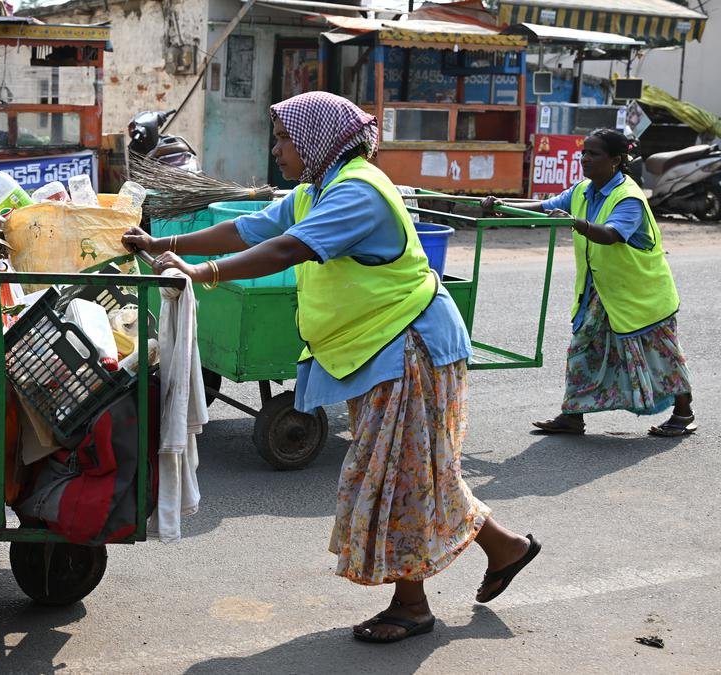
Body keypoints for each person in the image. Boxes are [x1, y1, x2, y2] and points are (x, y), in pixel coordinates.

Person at [122, 91, 540, 643]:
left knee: (396, 474)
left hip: (407, 346)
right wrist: (163, 241)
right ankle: (507, 548)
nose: (277, 150)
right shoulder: (316, 190)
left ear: (317, 141)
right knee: (418, 469)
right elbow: (250, 230)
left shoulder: (358, 192)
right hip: (375, 347)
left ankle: (411, 606)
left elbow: (285, 251)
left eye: (285, 139)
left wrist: (204, 274)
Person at [482, 128, 695, 437]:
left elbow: (610, 235)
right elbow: (546, 208)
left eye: (593, 153)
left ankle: (684, 412)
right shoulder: (583, 189)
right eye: (584, 152)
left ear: (616, 161)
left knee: (661, 355)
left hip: (641, 295)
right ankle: (572, 415)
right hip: (601, 291)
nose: (584, 158)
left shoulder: (629, 198)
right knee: (583, 349)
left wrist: (574, 223)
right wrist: (502, 207)